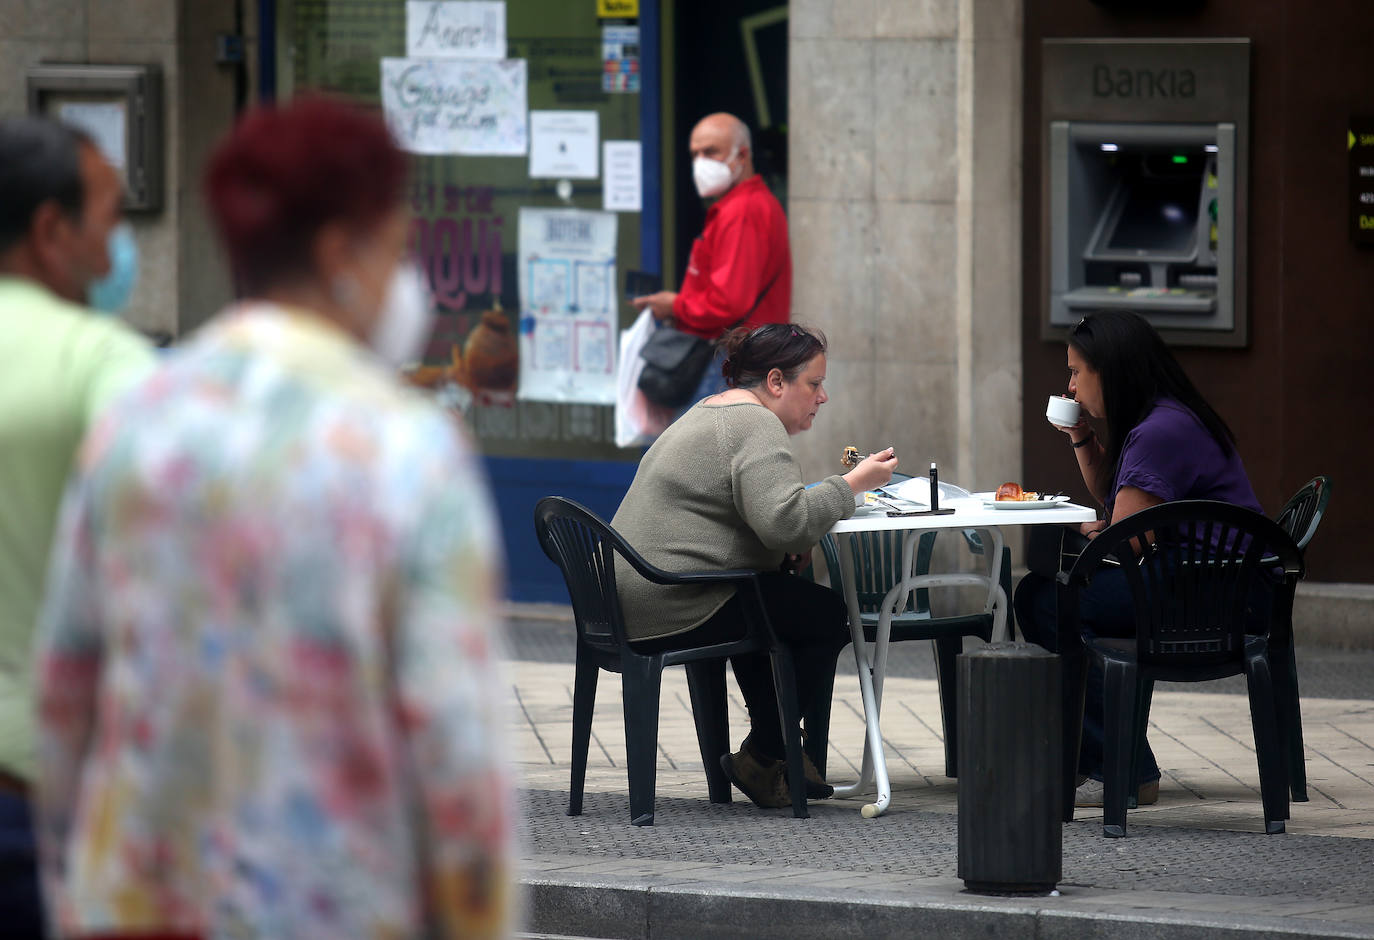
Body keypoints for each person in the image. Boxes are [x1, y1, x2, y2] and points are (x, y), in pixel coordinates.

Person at [33, 96, 514, 938]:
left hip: (137, 902)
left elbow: (67, 693)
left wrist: (77, 883)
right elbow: (458, 756)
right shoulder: (405, 452)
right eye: (394, 244)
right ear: (338, 251)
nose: (406, 277)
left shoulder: (139, 420)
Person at [612, 324, 897, 808]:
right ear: (776, 382)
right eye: (814, 384)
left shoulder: (714, 411)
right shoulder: (754, 423)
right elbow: (786, 523)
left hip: (634, 594)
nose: (823, 397)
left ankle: (778, 754)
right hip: (670, 599)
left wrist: (784, 546)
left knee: (773, 600)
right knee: (825, 615)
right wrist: (851, 485)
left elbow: (745, 523)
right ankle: (768, 752)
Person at [0, 116, 155, 937]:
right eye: (108, 219)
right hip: (41, 804)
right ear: (50, 230)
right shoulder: (97, 360)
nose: (118, 247)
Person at [1013, 310, 1265, 809]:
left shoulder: (1159, 431)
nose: (1070, 385)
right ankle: (1117, 761)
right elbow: (1117, 496)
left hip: (1210, 597)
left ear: (1110, 369)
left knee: (1045, 600)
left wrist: (1083, 528)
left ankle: (1120, 765)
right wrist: (1081, 435)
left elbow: (1123, 543)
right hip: (1212, 582)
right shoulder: (1162, 416)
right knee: (1056, 597)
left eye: (1077, 372)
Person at [631, 112, 791, 403]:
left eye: (711, 152)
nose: (701, 163)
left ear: (742, 156)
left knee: (704, 448)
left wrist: (675, 305)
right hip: (739, 361)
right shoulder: (742, 206)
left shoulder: (743, 211)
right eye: (695, 154)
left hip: (730, 363)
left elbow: (728, 302)